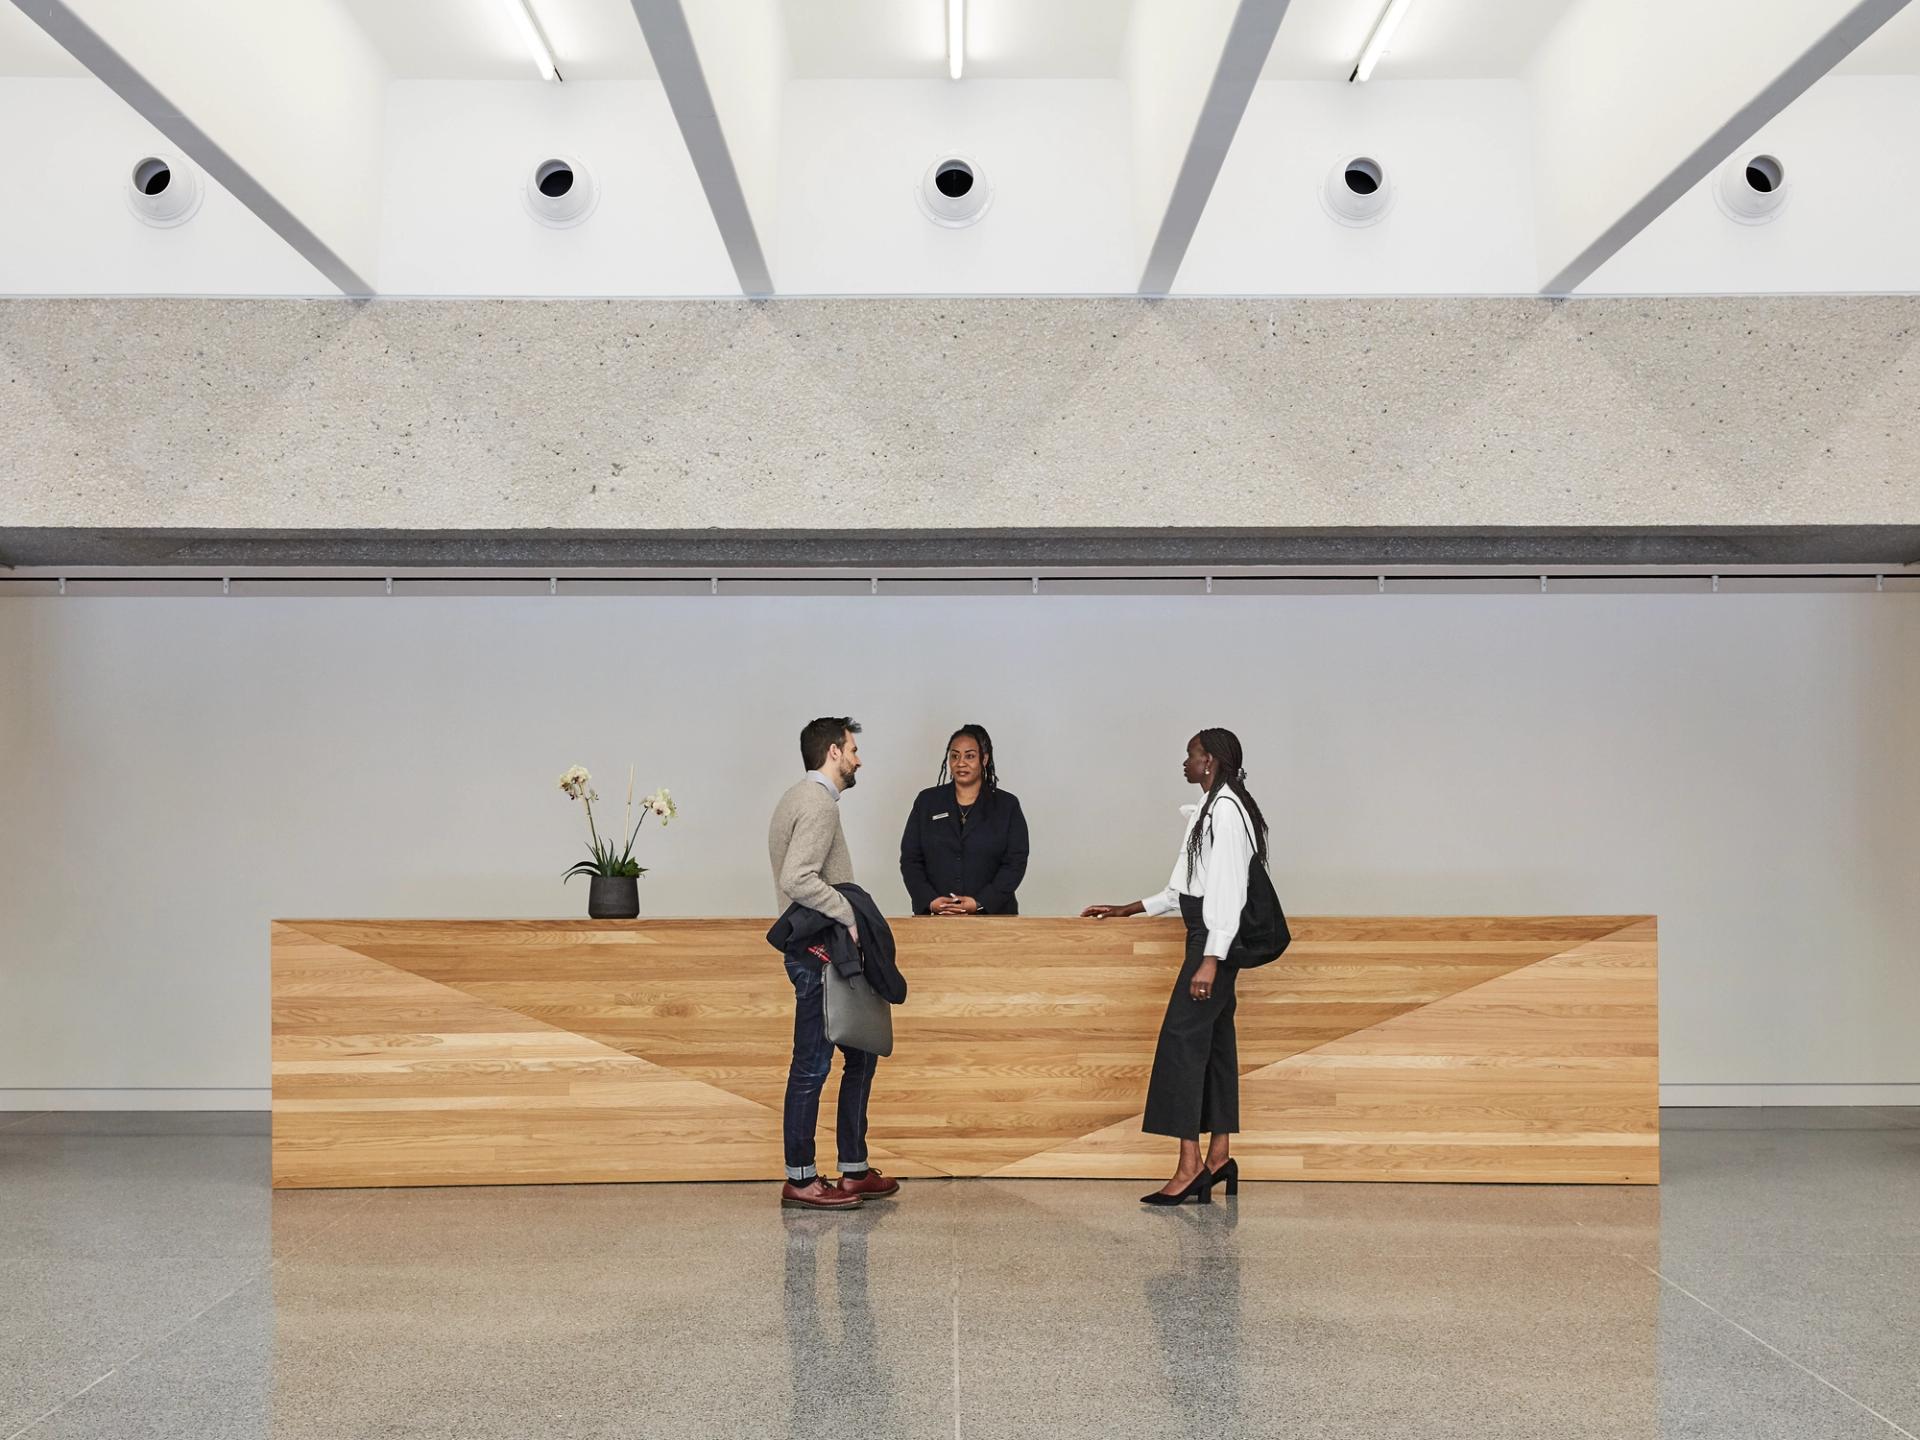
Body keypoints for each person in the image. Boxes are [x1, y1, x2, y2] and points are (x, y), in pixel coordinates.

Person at [1081, 728, 1270, 1206]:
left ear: (1209, 761)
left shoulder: (1225, 812)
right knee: (1215, 1049)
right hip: (1205, 939)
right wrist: (1130, 908)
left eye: (1190, 755)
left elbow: (1226, 890)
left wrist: (1210, 959)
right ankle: (1219, 1156)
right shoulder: (1210, 810)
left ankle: (1189, 1167)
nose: (1183, 763)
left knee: (1181, 1048)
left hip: (1211, 943)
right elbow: (1182, 888)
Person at [767, 716, 901, 1211]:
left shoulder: (794, 798)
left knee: (860, 1053)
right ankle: (801, 1179)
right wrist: (849, 916)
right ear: (832, 752)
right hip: (818, 952)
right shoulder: (818, 804)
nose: (858, 758)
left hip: (818, 951)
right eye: (853, 749)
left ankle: (853, 1170)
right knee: (813, 1065)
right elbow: (798, 878)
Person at [899, 724, 1030, 916]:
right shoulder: (927, 802)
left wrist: (980, 902)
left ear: (983, 759)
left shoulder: (1006, 805)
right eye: (954, 756)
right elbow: (911, 859)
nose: (961, 763)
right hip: (936, 917)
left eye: (969, 756)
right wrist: (930, 901)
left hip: (994, 918)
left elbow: (1015, 862)